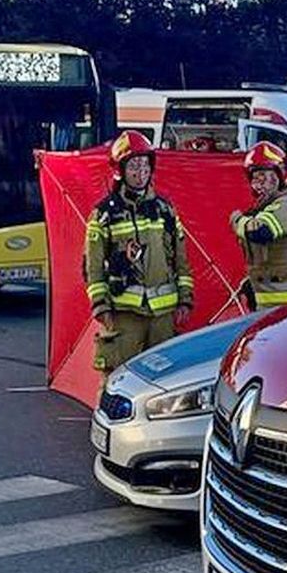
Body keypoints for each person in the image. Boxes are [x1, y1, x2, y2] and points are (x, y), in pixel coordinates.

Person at [84, 130, 194, 385]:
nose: (141, 171)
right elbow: (92, 266)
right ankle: (110, 425)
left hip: (163, 316)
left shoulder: (165, 210)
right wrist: (101, 307)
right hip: (124, 315)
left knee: (165, 383)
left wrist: (185, 301)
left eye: (145, 164)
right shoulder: (103, 214)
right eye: (134, 165)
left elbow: (181, 260)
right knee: (117, 379)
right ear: (120, 170)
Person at [230, 142, 287, 309]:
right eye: (255, 177)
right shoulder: (271, 207)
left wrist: (237, 220)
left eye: (264, 176)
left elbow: (260, 232)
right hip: (272, 300)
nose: (259, 184)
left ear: (280, 176)